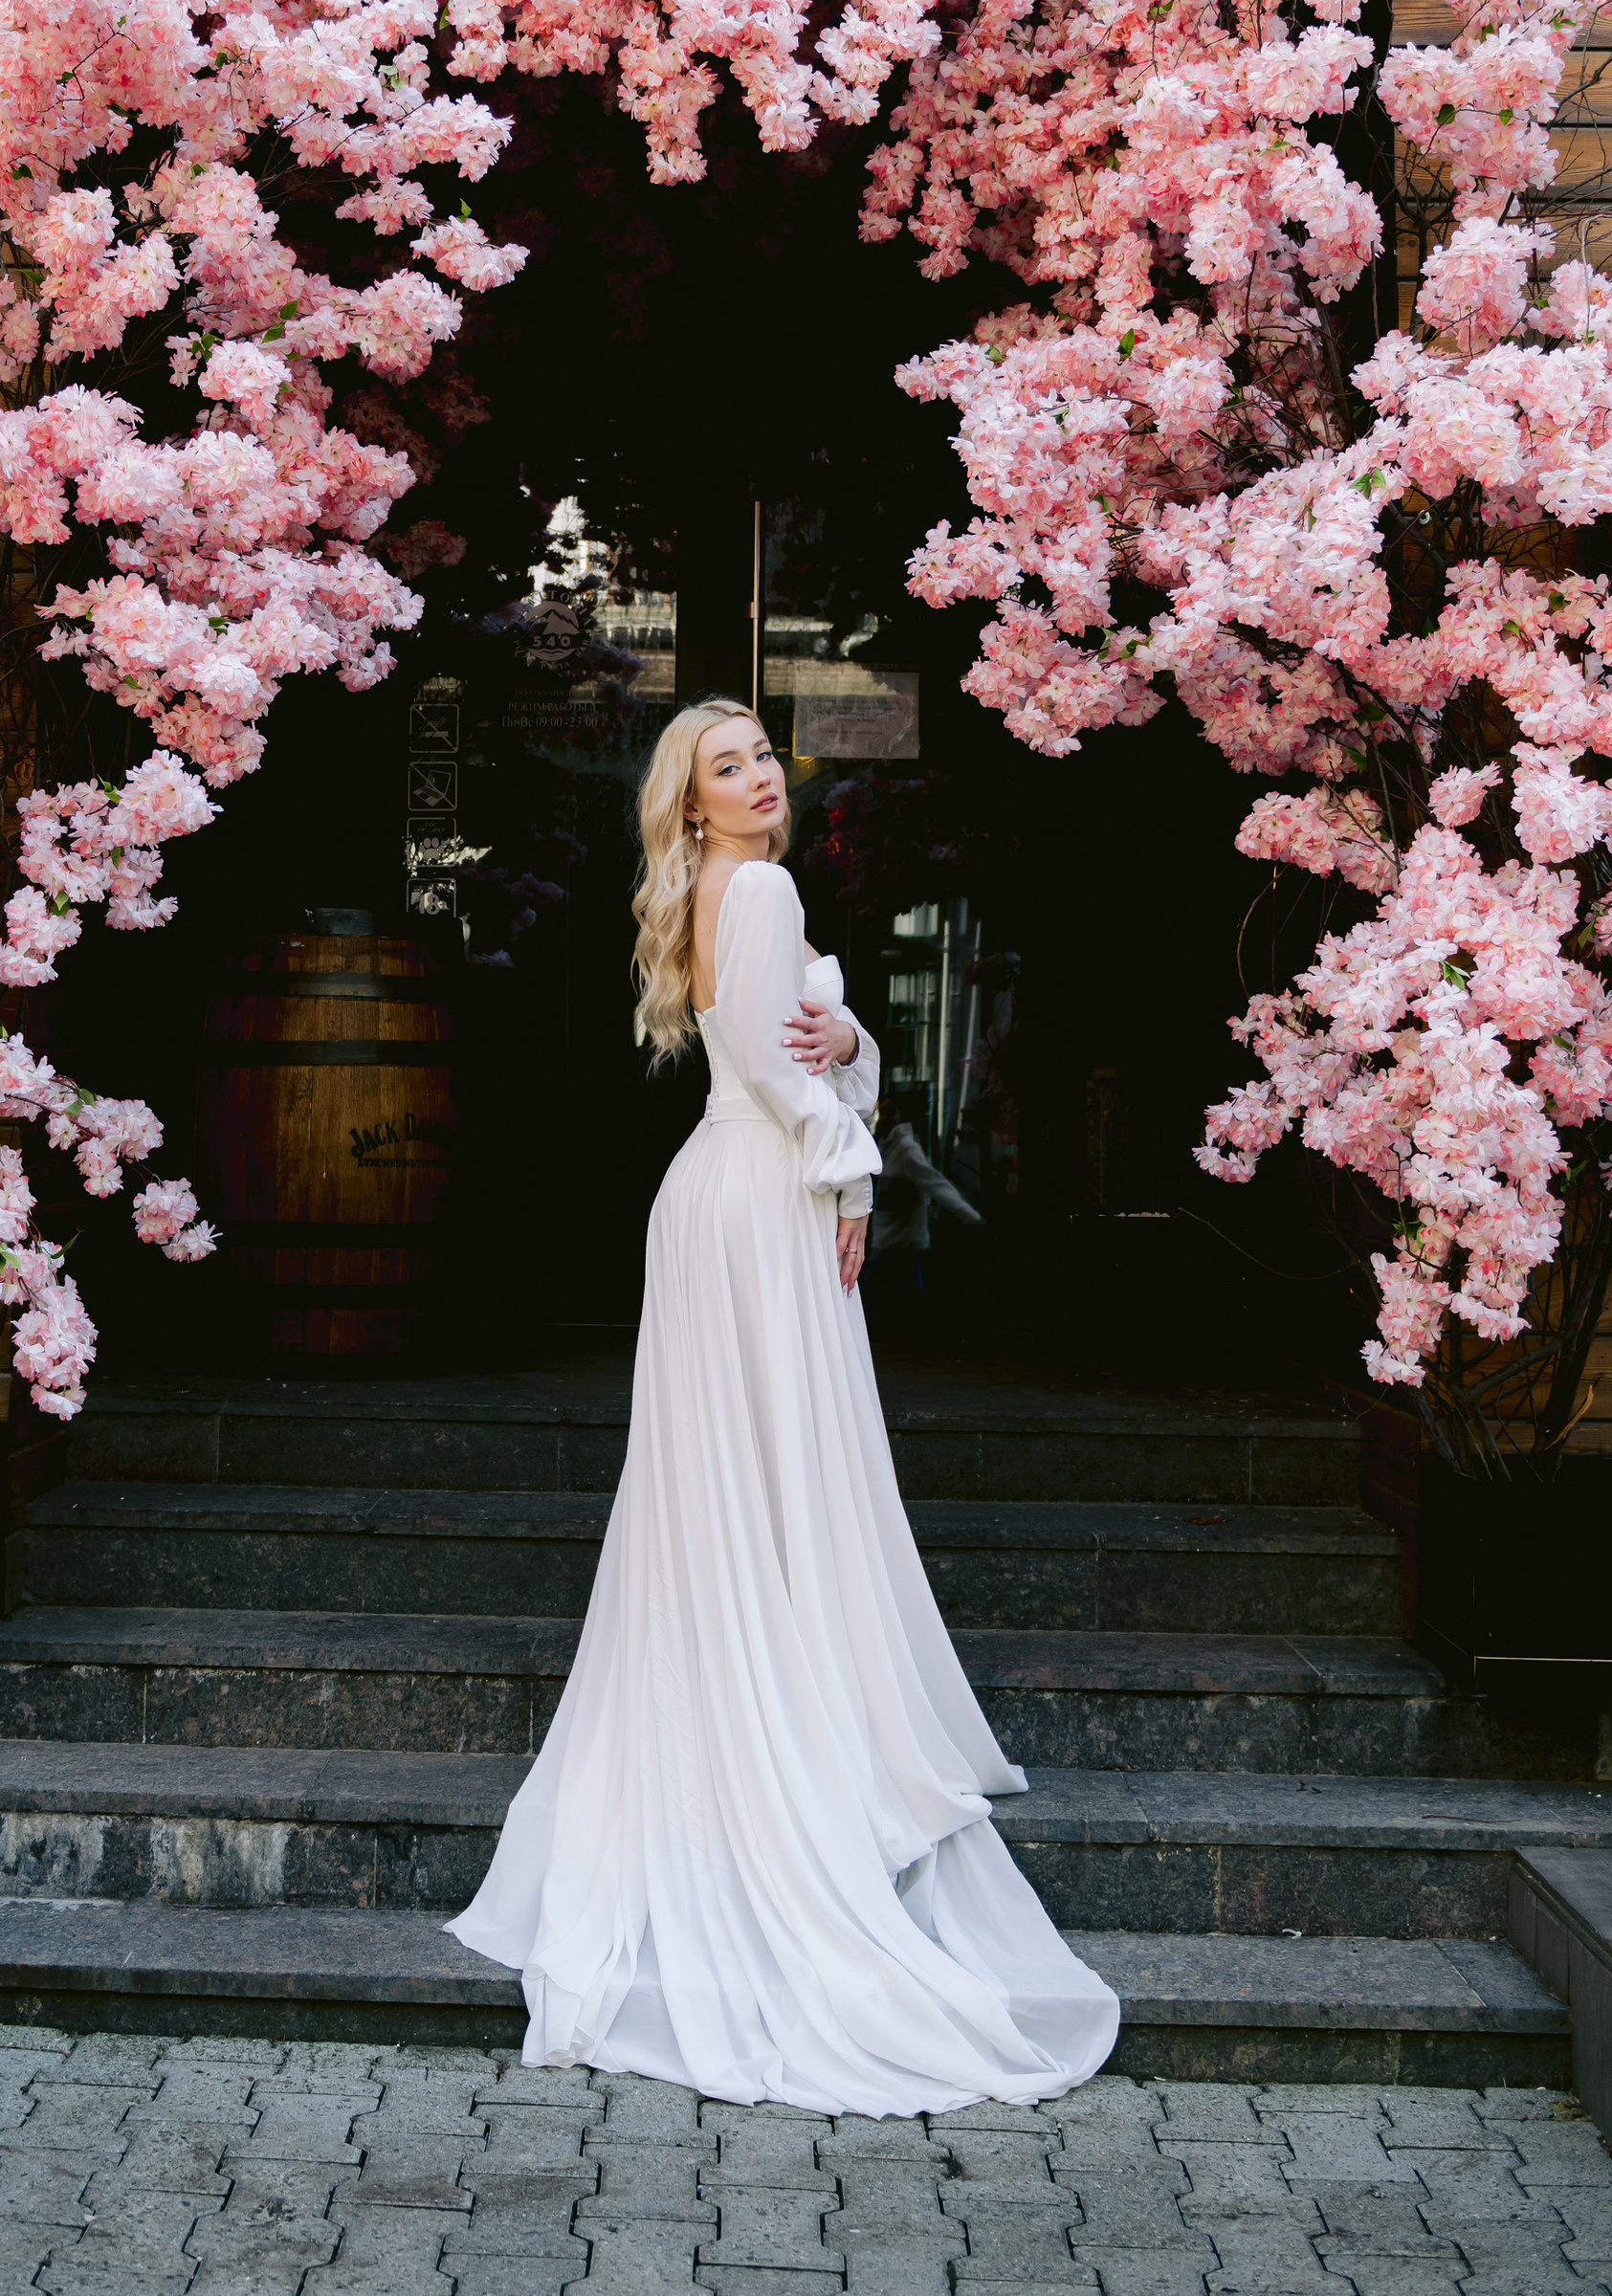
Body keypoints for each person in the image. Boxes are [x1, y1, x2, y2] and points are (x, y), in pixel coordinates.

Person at [448, 695, 1120, 2114]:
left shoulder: (736, 895)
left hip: (730, 1194)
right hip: (758, 1197)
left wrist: (848, 1086)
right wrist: (850, 1168)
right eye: (726, 768)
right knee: (765, 1468)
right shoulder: (756, 887)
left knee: (741, 1477)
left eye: (762, 756)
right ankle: (778, 1728)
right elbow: (769, 1064)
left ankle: (759, 1695)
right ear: (692, 806)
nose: (760, 780)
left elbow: (815, 1047)